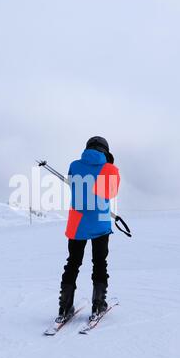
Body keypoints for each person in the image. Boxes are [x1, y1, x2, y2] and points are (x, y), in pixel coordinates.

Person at [57, 136, 120, 321]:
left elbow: (74, 185)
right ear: (105, 150)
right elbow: (111, 192)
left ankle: (64, 308)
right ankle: (98, 304)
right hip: (100, 222)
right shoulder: (110, 169)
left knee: (73, 263)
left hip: (77, 224)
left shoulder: (74, 165)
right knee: (99, 263)